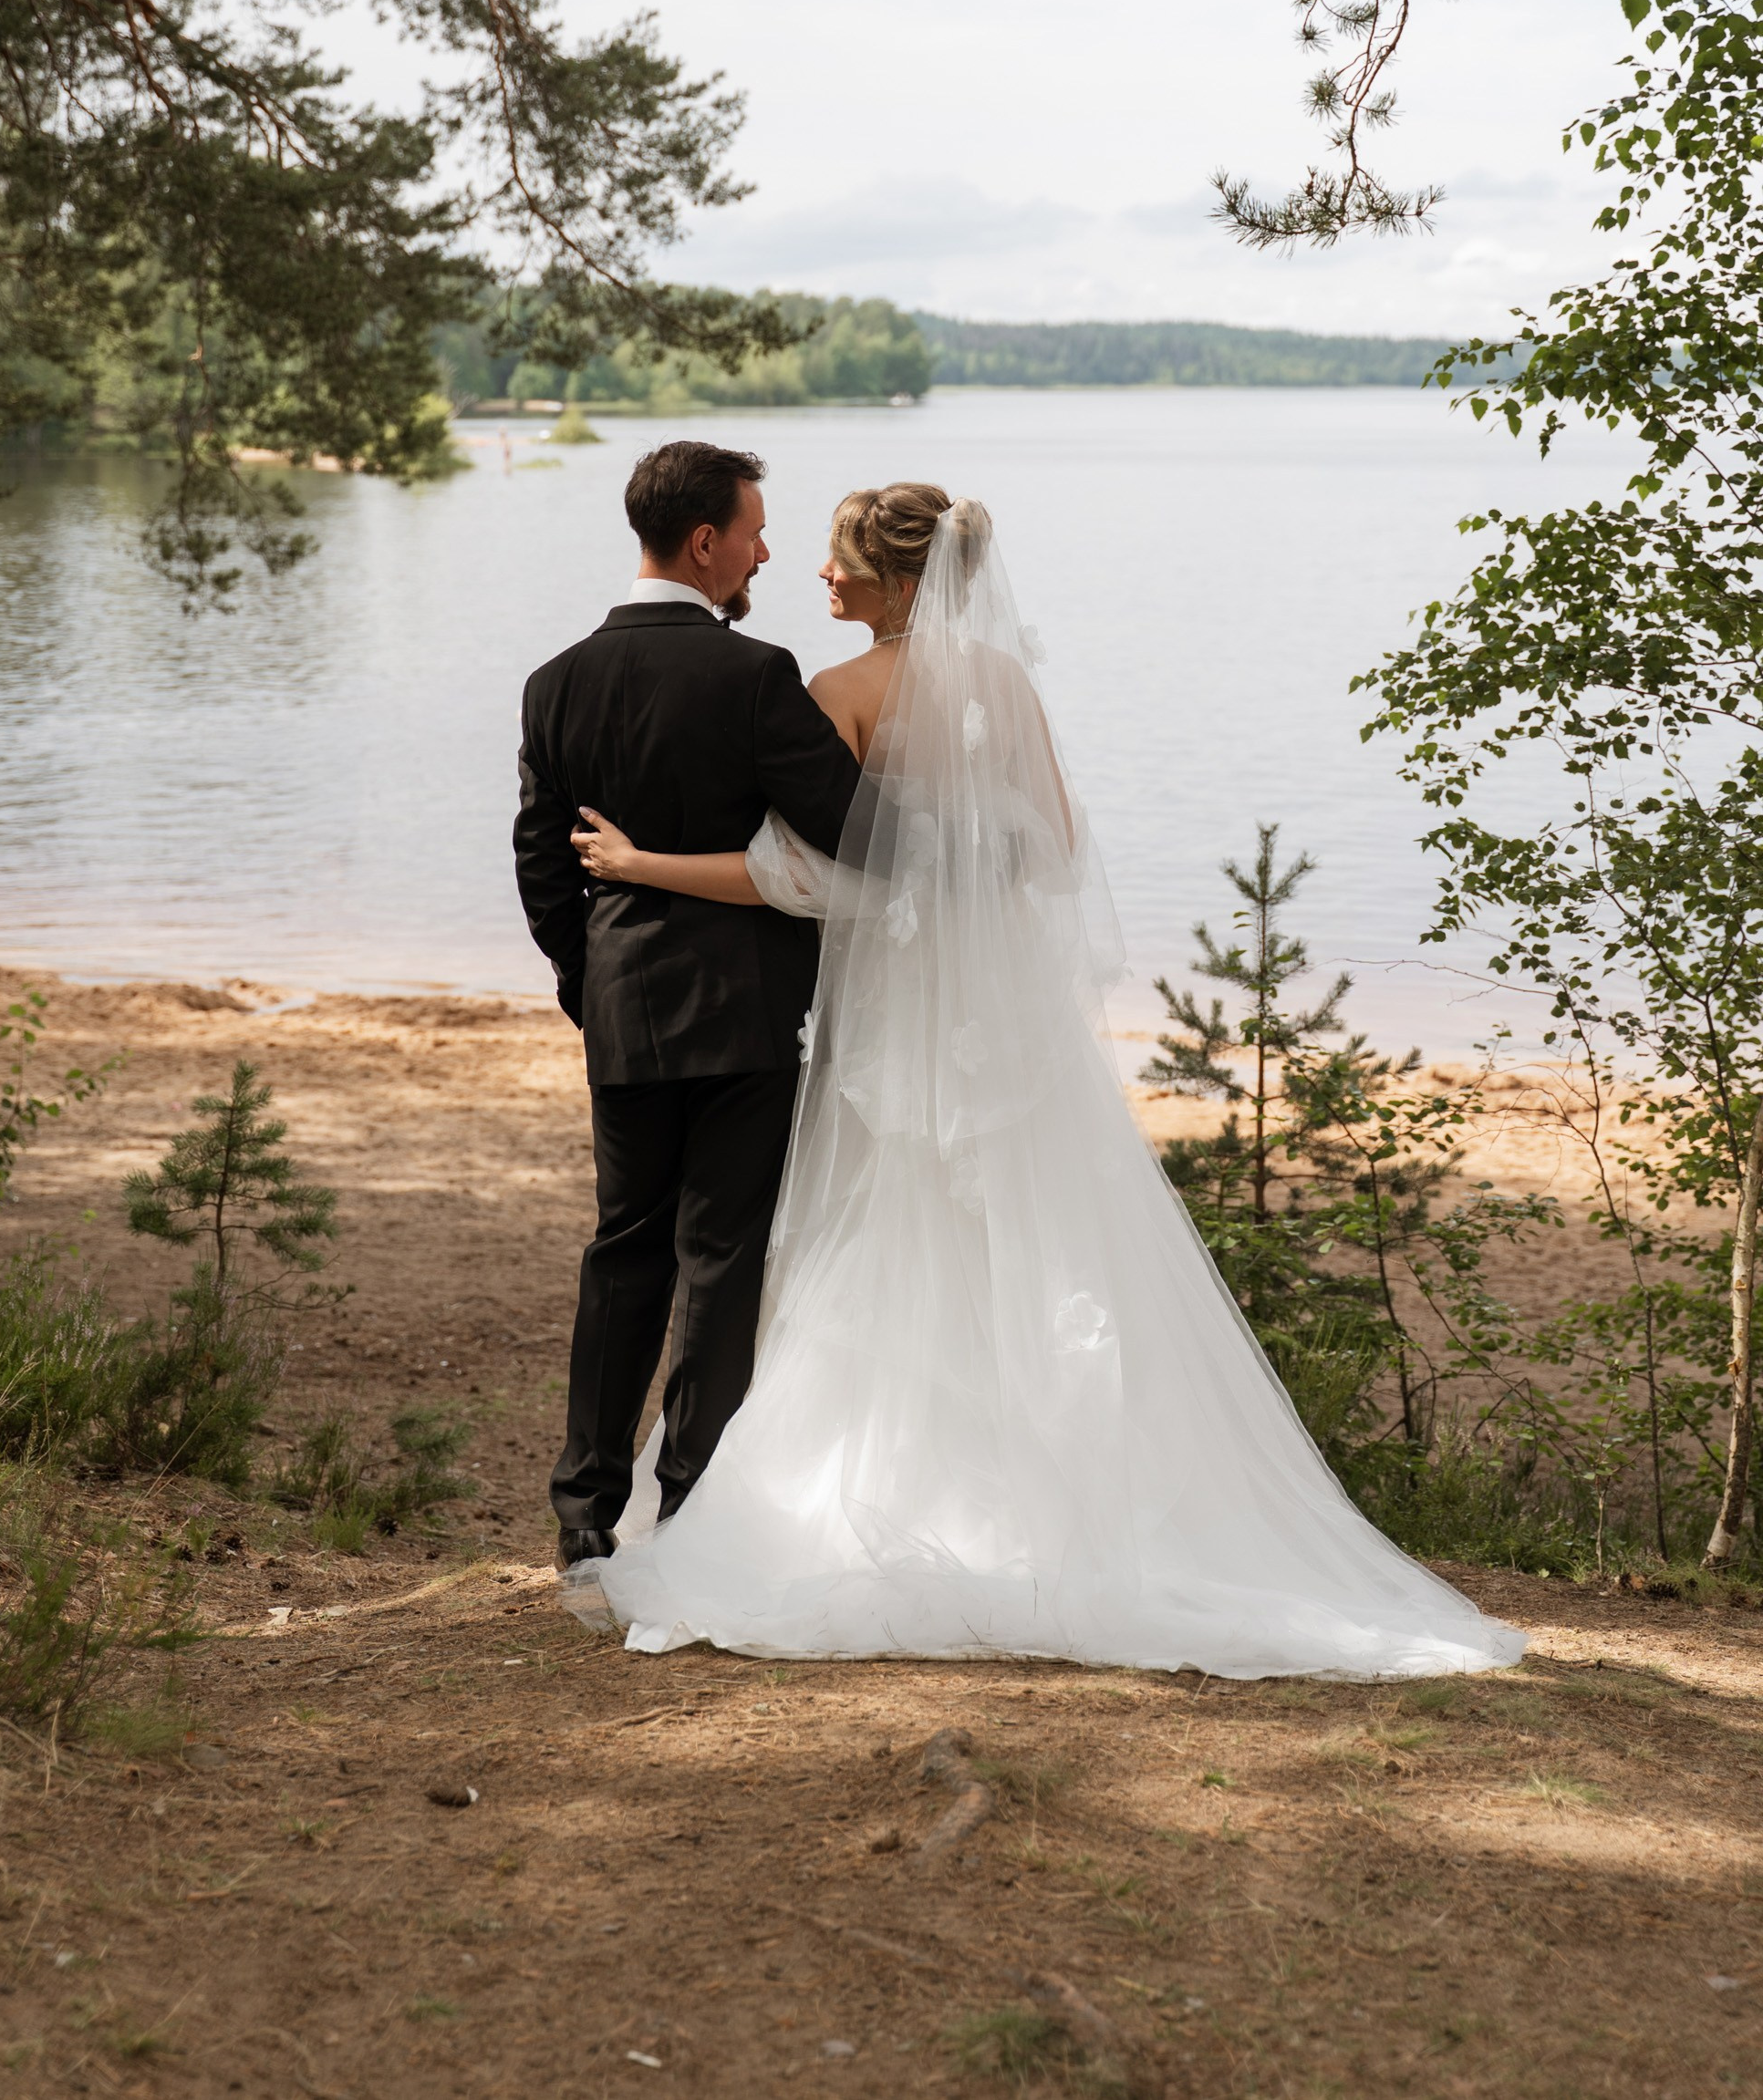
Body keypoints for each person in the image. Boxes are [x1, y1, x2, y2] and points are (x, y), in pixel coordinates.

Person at [565, 485, 1525, 1680]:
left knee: (886, 1230)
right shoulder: (1006, 686)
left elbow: (807, 877)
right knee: (1027, 1230)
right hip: (1002, 1017)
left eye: (837, 561)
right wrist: (964, 870)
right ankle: (1059, 1501)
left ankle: (878, 1502)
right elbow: (1056, 848)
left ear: (898, 581)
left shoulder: (841, 694)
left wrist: (637, 861)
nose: (819, 577)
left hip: (898, 1022)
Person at [513, 440, 861, 1567]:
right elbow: (853, 828)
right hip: (747, 1010)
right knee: (721, 1257)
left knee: (624, 1249)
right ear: (704, 542)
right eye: (755, 530)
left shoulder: (553, 680)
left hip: (622, 1010)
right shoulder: (754, 674)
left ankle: (581, 1520)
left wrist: (590, 984)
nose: (765, 549)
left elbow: (542, 864)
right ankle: (691, 1501)